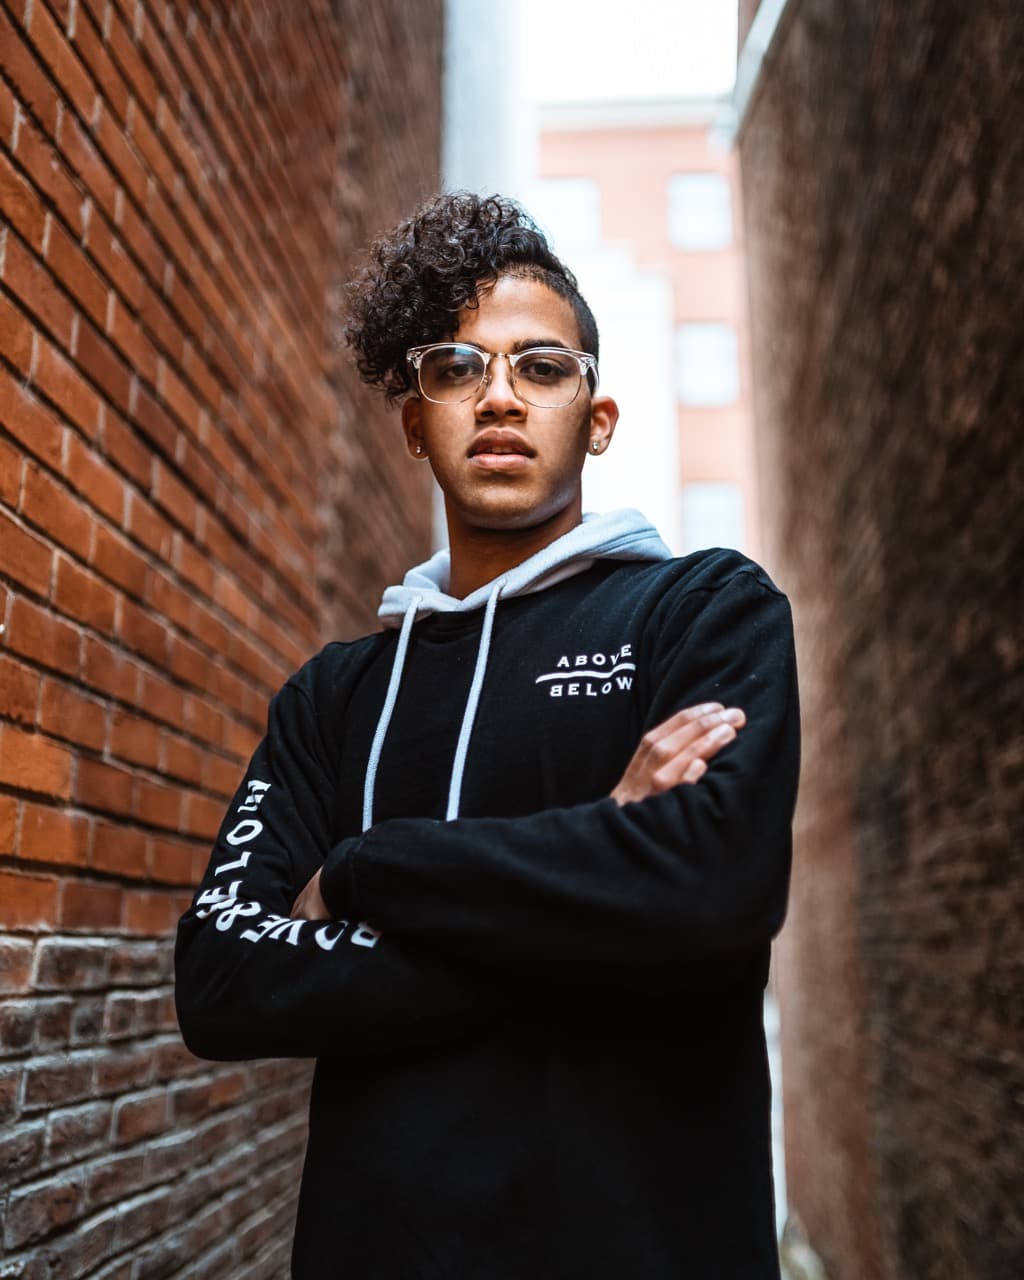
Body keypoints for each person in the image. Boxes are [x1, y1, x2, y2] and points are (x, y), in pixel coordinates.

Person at [174, 192, 800, 1279]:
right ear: (416, 420)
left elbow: (713, 885)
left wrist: (367, 868)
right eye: (458, 369)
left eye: (541, 366)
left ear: (596, 418)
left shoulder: (701, 610)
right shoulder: (335, 693)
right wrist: (602, 866)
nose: (499, 395)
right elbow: (221, 975)